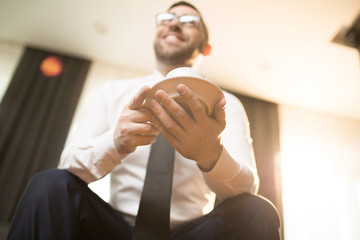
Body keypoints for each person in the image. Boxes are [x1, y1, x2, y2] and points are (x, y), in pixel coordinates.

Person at [7, 1, 281, 239]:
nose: (174, 24)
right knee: (48, 185)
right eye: (166, 19)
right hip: (112, 229)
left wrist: (211, 154)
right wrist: (114, 142)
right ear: (157, 33)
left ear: (206, 47)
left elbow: (247, 187)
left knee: (258, 211)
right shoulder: (112, 93)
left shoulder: (227, 104)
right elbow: (68, 164)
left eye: (189, 22)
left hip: (193, 233)